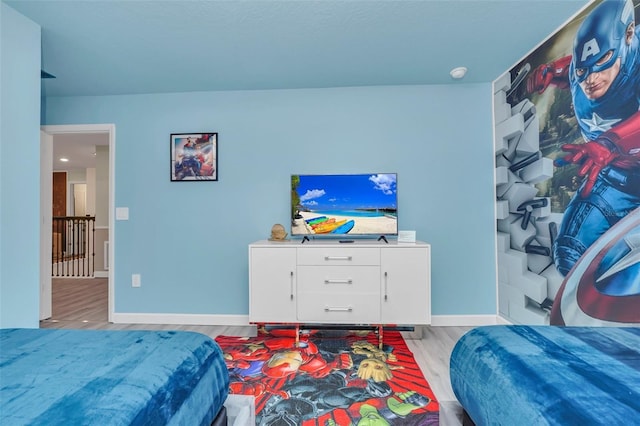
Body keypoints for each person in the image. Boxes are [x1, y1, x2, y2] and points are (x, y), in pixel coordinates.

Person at [527, 0, 640, 278]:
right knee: (570, 254)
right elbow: (577, 69)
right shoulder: (586, 71)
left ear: (628, 36)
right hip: (616, 180)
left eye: (602, 62)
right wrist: (554, 72)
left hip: (616, 162)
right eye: (583, 70)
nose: (590, 79)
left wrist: (611, 143)